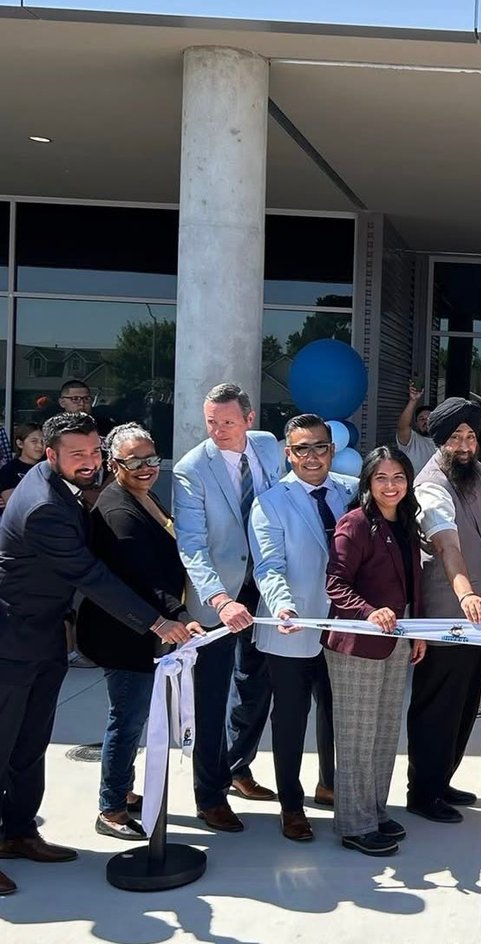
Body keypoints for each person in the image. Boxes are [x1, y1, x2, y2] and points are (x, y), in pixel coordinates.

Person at [0, 413, 191, 897]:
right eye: (76, 455)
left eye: (92, 453)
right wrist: (157, 622)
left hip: (43, 637)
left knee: (29, 744)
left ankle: (19, 833)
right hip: (11, 642)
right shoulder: (43, 505)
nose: (89, 464)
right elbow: (91, 575)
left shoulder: (62, 486)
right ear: (50, 455)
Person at [77, 423, 204, 841]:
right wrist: (180, 615)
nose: (148, 467)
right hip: (124, 635)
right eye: (136, 461)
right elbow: (144, 578)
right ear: (115, 465)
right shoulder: (117, 511)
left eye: (152, 458)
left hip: (146, 633)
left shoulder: (143, 496)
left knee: (137, 717)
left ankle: (122, 790)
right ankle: (111, 809)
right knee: (127, 721)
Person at [173, 382, 286, 831]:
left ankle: (238, 767)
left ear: (249, 419)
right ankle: (210, 794)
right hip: (219, 593)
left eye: (228, 422)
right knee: (211, 695)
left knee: (257, 683)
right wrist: (217, 598)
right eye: (211, 422)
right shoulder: (191, 469)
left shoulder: (266, 448)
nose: (218, 430)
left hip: (266, 584)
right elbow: (193, 545)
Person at [249, 414, 357, 842]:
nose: (312, 457)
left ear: (332, 449)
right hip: (290, 628)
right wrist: (283, 607)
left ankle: (330, 785)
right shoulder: (271, 502)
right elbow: (269, 565)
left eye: (320, 447)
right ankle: (291, 806)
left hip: (345, 628)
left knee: (338, 714)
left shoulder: (351, 492)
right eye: (301, 449)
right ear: (288, 454)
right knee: (291, 720)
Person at [325, 446, 427, 856]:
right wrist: (369, 612)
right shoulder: (354, 524)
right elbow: (335, 583)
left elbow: (412, 582)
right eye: (382, 478)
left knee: (384, 733)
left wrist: (416, 630)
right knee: (356, 736)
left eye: (398, 477)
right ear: (368, 481)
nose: (391, 485)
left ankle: (375, 810)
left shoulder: (405, 522)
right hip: (358, 645)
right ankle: (354, 824)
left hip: (398, 638)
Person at [405, 397, 481, 824]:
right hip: (448, 613)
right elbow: (446, 543)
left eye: (471, 436)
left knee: (464, 704)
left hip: (479, 614)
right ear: (439, 440)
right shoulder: (430, 485)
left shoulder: (475, 472)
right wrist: (466, 595)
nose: (464, 444)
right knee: (437, 707)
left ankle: (442, 779)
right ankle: (422, 792)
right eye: (455, 437)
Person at [0, 425, 45, 509]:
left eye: (43, 441)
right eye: (34, 441)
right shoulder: (9, 470)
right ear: (20, 444)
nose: (40, 445)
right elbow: (13, 504)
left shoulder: (48, 468)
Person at [396, 381, 436, 475]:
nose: (426, 421)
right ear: (417, 423)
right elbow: (402, 426)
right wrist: (413, 400)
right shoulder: (412, 441)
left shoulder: (445, 442)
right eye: (422, 419)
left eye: (429, 418)